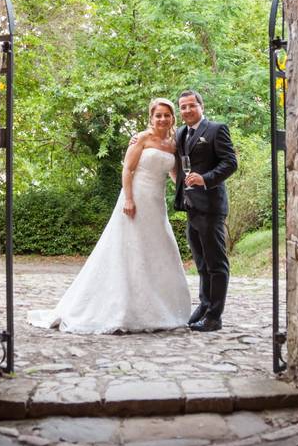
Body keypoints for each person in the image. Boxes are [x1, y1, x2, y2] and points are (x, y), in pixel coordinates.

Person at [27, 98, 191, 333]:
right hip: (137, 198)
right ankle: (121, 307)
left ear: (172, 118)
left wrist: (187, 189)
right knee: (129, 249)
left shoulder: (174, 143)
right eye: (158, 115)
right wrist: (129, 198)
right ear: (151, 117)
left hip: (157, 203)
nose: (163, 119)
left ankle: (159, 307)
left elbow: (174, 174)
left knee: (158, 249)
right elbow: (128, 169)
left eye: (167, 115)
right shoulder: (142, 139)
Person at [174, 90, 237, 332]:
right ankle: (204, 305)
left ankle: (214, 317)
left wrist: (206, 179)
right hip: (191, 206)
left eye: (191, 106)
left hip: (211, 207)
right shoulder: (181, 133)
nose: (187, 110)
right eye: (183, 107)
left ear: (201, 106)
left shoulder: (216, 129)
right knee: (201, 262)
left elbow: (230, 162)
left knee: (216, 263)